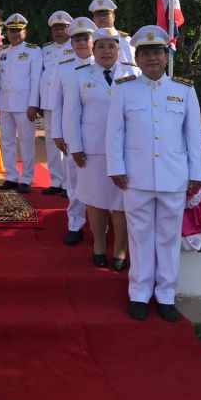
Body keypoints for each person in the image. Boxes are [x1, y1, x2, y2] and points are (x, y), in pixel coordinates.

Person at [106, 25, 201, 322]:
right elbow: (114, 133)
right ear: (136, 58)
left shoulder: (183, 90)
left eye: (157, 52)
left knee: (168, 238)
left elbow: (192, 136)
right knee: (139, 237)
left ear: (166, 56)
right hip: (136, 178)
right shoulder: (124, 89)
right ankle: (139, 293)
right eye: (145, 53)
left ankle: (166, 295)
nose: (152, 58)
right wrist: (116, 167)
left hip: (174, 177)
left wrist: (196, 173)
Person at [63, 27, 141, 270]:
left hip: (125, 149)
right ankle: (99, 244)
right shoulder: (79, 75)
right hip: (92, 149)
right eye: (101, 46)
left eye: (111, 46)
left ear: (119, 49)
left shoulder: (133, 73)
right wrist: (75, 146)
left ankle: (120, 249)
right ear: (93, 49)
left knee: (121, 202)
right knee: (95, 199)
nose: (106, 51)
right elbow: (71, 115)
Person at [50, 17, 96, 244]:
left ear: (92, 41)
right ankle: (75, 224)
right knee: (74, 182)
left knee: (100, 182)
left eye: (85, 38)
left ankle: (100, 228)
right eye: (76, 39)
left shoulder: (105, 66)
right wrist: (57, 133)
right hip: (71, 134)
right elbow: (56, 103)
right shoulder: (63, 67)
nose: (81, 43)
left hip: (98, 134)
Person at [0, 14, 42, 194]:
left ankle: (27, 179)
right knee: (7, 141)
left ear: (24, 32)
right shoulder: (1, 52)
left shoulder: (33, 51)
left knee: (26, 142)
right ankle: (11, 177)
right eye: (12, 31)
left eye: (18, 31)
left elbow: (36, 80)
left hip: (24, 105)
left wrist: (33, 104)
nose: (15, 34)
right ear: (7, 32)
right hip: (5, 104)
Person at [39, 11, 75, 196]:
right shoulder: (46, 49)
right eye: (56, 28)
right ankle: (56, 181)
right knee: (51, 141)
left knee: (68, 141)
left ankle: (70, 183)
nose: (59, 31)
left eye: (63, 28)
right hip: (49, 102)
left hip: (68, 101)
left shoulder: (76, 46)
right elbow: (42, 76)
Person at [89, 0, 135, 64]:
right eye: (98, 15)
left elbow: (131, 67)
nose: (102, 18)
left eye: (106, 14)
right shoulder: (88, 41)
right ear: (93, 19)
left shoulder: (125, 40)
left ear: (113, 17)